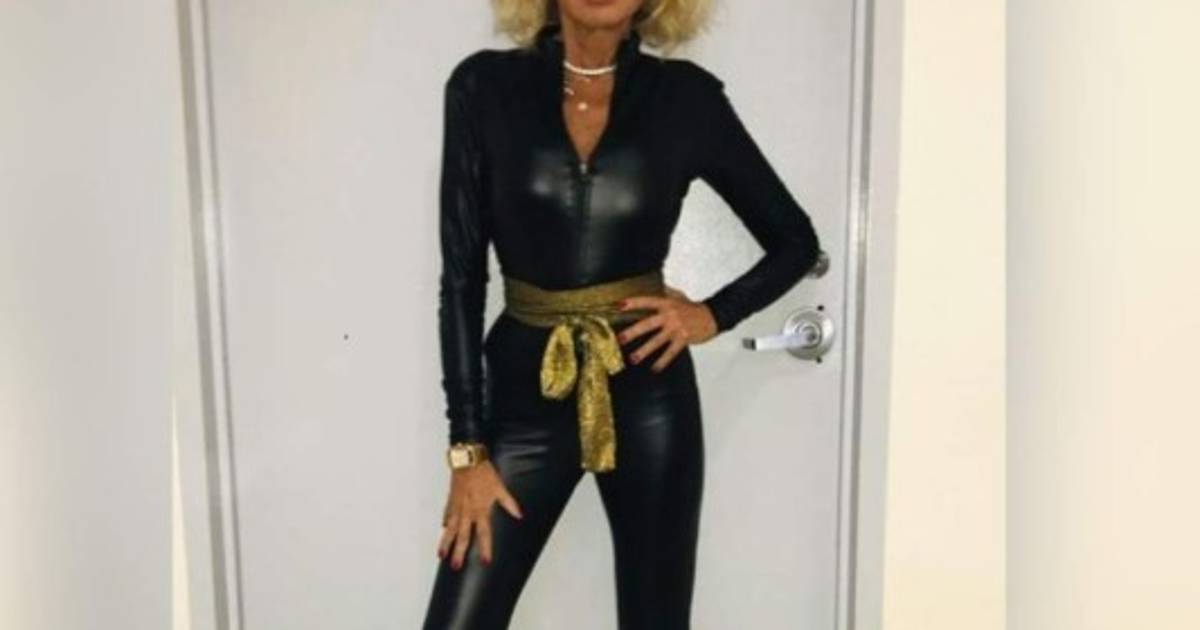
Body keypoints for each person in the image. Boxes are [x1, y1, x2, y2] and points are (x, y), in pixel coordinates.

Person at [422, 1, 821, 628]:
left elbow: (795, 241)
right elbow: (462, 279)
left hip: (649, 397)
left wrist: (711, 315)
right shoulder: (483, 87)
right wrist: (467, 452)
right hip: (522, 400)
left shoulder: (686, 99)